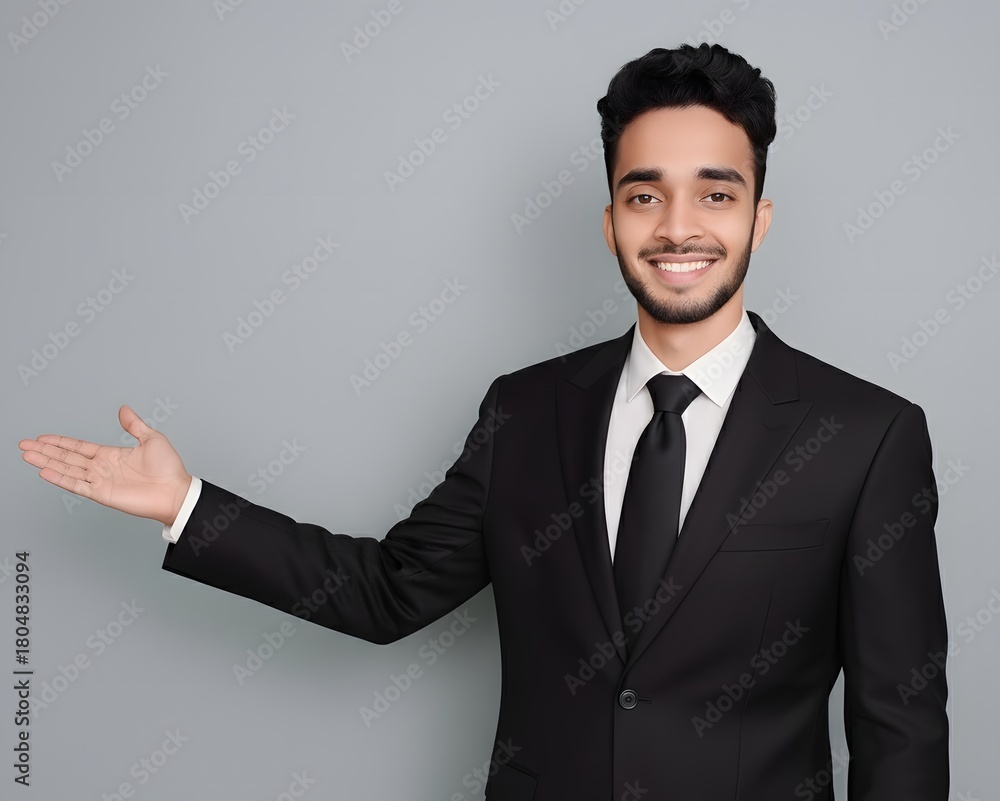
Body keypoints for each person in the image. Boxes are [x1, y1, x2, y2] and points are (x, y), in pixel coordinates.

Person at [18, 43, 949, 799]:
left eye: (715, 191)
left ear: (760, 216)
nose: (677, 226)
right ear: (610, 220)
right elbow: (388, 592)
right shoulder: (527, 409)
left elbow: (899, 726)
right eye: (643, 193)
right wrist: (186, 503)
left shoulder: (864, 437)